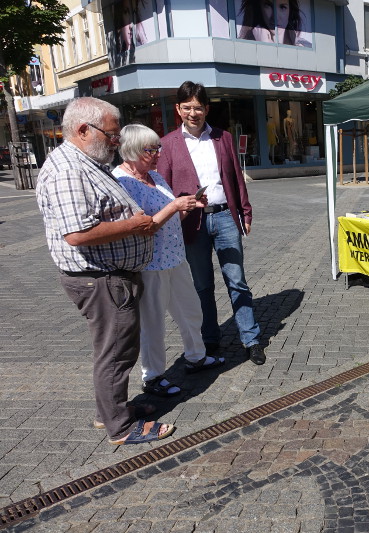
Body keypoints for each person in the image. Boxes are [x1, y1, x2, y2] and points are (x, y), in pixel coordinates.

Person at [35, 97, 175, 445]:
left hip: (108, 275)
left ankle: (110, 410)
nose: (116, 142)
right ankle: (120, 427)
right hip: (100, 278)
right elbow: (77, 234)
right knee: (116, 352)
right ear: (83, 129)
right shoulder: (69, 169)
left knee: (112, 349)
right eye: (112, 135)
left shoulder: (87, 161)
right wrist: (134, 225)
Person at [157, 81, 266, 366]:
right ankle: (210, 339)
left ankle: (250, 338)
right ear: (178, 109)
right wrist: (169, 222)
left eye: (198, 107)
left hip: (225, 217)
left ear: (207, 108)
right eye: (187, 107)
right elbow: (163, 189)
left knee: (237, 281)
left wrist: (245, 212)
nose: (193, 113)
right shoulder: (168, 144)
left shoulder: (223, 138)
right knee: (202, 285)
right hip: (191, 223)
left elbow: (236, 179)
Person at [114, 124, 226, 397]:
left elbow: (170, 219)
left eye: (157, 148)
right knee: (153, 323)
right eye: (150, 150)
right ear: (131, 151)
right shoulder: (122, 182)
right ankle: (152, 377)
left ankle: (196, 356)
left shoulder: (154, 176)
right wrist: (174, 205)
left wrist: (186, 206)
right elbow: (144, 226)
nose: (157, 154)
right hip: (149, 264)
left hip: (175, 257)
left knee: (190, 311)